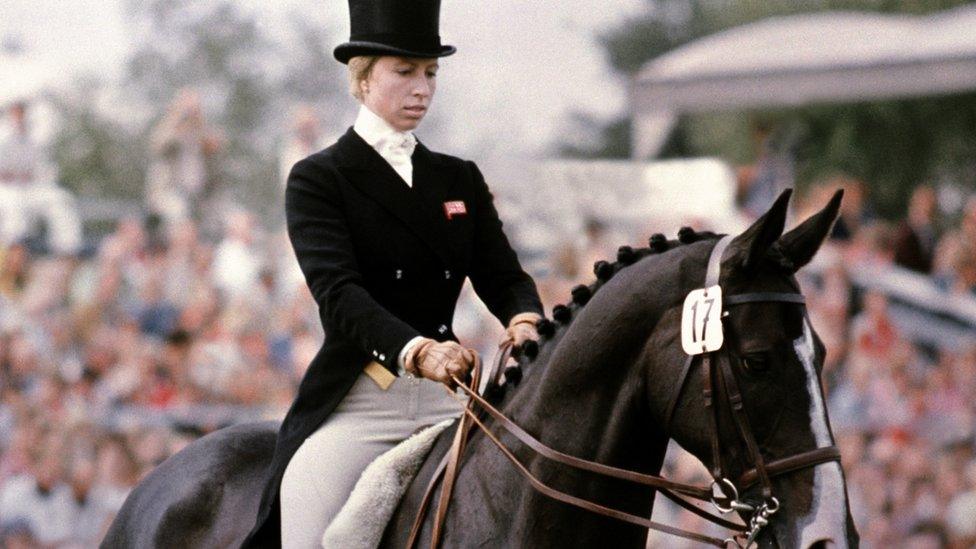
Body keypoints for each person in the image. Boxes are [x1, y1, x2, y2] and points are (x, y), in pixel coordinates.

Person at [242, 1, 544, 546]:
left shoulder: (458, 177)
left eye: (430, 72)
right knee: (311, 533)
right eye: (404, 71)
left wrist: (524, 319)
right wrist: (419, 351)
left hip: (448, 398)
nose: (422, 87)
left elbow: (502, 274)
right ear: (362, 78)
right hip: (363, 399)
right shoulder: (319, 178)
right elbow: (339, 295)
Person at [0, 99, 83, 257]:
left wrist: (32, 176)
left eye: (21, 112)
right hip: (6, 189)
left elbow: (47, 170)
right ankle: (12, 255)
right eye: (15, 113)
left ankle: (67, 253)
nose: (19, 117)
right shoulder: (3, 136)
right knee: (14, 208)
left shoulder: (36, 138)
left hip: (32, 188)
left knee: (61, 200)